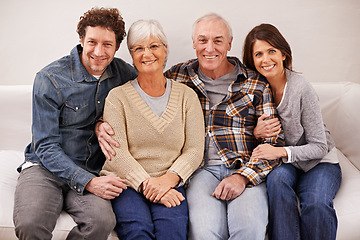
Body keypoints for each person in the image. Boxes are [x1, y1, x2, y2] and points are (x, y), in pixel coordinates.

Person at [97, 13, 284, 240]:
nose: (209, 48)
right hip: (192, 174)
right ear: (194, 44)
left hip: (234, 169)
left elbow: (272, 143)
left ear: (229, 43)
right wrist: (100, 124)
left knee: (246, 231)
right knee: (195, 232)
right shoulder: (178, 76)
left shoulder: (253, 83)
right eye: (203, 40)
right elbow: (121, 141)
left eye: (218, 40)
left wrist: (242, 177)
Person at [13, 7, 137, 240]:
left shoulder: (123, 74)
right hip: (45, 168)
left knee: (102, 222)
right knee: (30, 224)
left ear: (117, 46)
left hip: (92, 166)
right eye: (92, 42)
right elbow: (46, 146)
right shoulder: (50, 78)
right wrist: (89, 182)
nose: (98, 52)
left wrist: (101, 122)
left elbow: (151, 88)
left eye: (107, 44)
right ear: (81, 40)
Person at [100, 19, 205, 240]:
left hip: (170, 181)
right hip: (127, 183)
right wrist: (148, 185)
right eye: (139, 48)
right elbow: (116, 154)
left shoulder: (187, 96)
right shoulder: (117, 98)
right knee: (138, 230)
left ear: (165, 49)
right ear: (132, 55)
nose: (147, 54)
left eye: (154, 46)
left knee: (172, 232)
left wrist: (169, 180)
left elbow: (195, 149)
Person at [243, 23, 342, 240]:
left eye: (272, 51)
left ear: (284, 55)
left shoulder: (301, 89)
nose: (265, 59)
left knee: (316, 203)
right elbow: (239, 131)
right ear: (252, 61)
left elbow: (319, 146)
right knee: (276, 182)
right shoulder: (253, 89)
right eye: (258, 54)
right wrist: (256, 132)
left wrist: (280, 152)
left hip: (319, 162)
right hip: (284, 165)